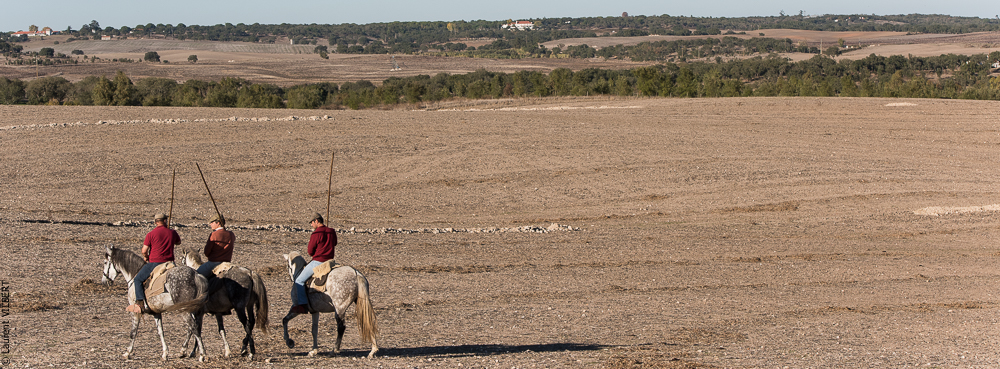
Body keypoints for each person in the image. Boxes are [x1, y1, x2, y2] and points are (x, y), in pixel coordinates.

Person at [126, 213, 181, 313]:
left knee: (138, 280)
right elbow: (178, 242)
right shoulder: (172, 232)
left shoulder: (151, 234)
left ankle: (140, 303)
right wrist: (170, 233)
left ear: (155, 222)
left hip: (155, 263)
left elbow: (144, 250)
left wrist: (145, 257)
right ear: (165, 221)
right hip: (170, 263)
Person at [290, 213, 337, 314]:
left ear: (316, 221)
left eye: (311, 223)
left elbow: (310, 251)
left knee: (299, 280)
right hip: (330, 262)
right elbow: (335, 243)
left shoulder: (316, 234)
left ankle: (302, 305)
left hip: (318, 262)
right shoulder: (331, 231)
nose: (311, 225)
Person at [196, 214, 234, 279]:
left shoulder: (214, 234)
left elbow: (206, 252)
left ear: (218, 223)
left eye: (212, 222)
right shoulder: (231, 234)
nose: (210, 224)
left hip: (214, 263)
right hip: (227, 262)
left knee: (197, 275)